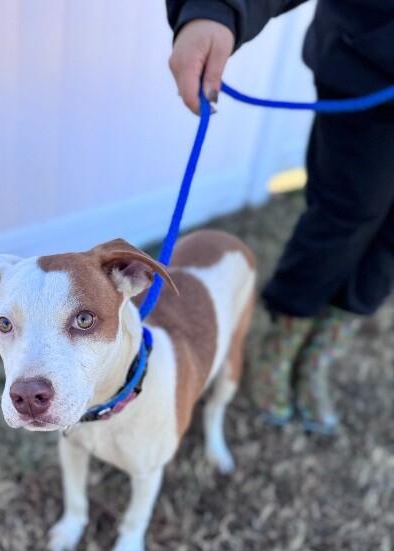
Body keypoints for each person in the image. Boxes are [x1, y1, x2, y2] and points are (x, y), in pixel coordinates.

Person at [166, 1, 394, 434]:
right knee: (347, 214)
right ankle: (283, 340)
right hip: (371, 65)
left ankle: (318, 355)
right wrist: (214, 8)